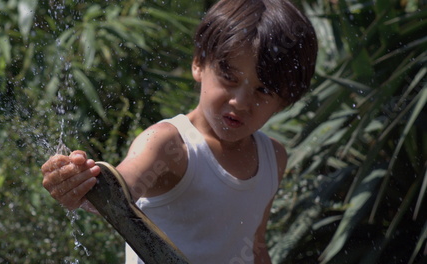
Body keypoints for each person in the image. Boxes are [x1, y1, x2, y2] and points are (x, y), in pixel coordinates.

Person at [41, 0, 318, 263]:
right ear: (198, 63)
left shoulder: (273, 158)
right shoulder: (168, 144)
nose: (240, 101)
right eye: (229, 78)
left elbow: (255, 245)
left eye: (264, 90)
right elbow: (118, 192)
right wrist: (80, 183)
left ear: (284, 100)